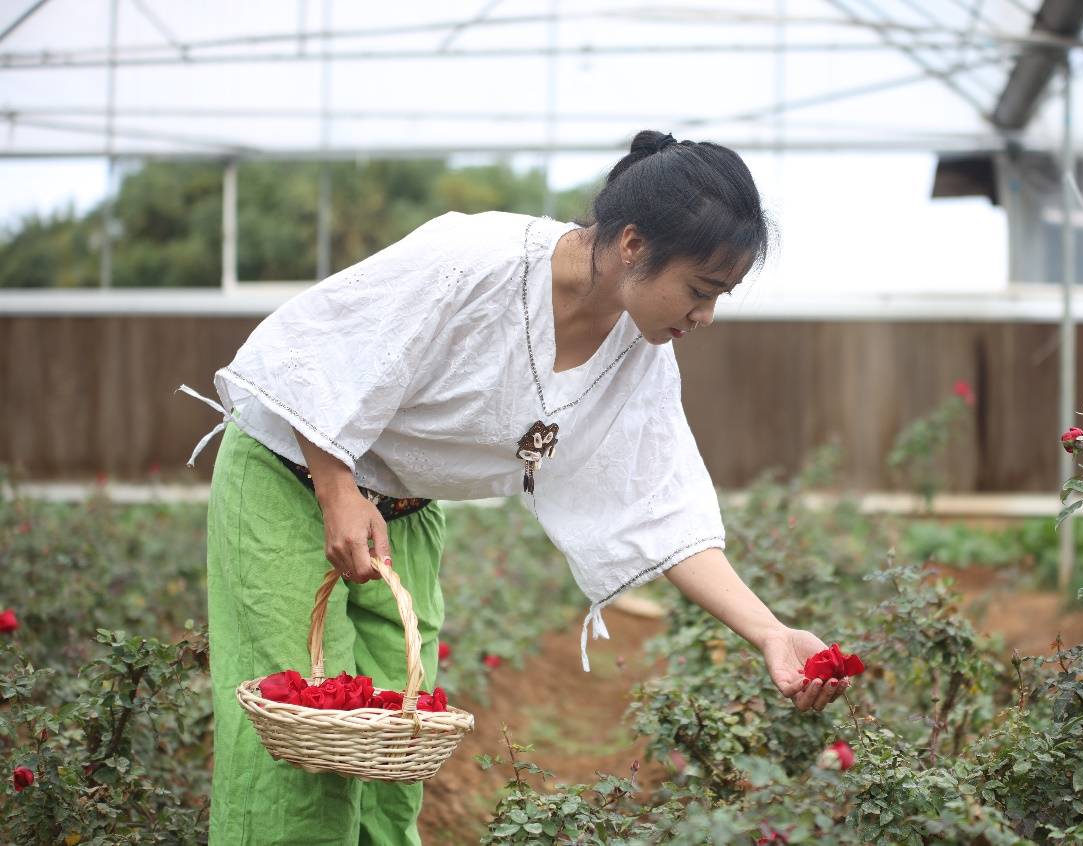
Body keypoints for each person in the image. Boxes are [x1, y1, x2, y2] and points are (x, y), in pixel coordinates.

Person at [180, 130, 849, 845]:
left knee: (393, 752)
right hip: (293, 478)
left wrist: (771, 633)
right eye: (700, 289)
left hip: (401, 513)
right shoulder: (475, 261)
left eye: (720, 296)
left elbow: (658, 510)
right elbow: (316, 352)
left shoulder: (635, 349)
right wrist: (334, 488)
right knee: (305, 756)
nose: (705, 316)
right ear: (631, 245)